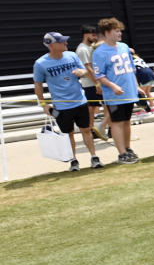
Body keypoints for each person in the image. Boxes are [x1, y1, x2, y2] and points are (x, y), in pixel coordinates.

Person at [33, 32, 101, 170]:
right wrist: (44, 104)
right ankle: (74, 161)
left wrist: (83, 73)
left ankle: (94, 157)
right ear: (51, 45)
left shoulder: (72, 55)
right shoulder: (40, 63)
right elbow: (38, 85)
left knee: (86, 130)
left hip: (80, 101)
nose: (66, 43)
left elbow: (85, 70)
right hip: (61, 106)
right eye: (62, 41)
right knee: (67, 134)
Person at [92, 18, 142, 164]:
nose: (120, 33)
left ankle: (127, 148)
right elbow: (99, 75)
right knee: (117, 123)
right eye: (116, 31)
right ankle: (121, 152)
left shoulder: (124, 47)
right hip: (114, 95)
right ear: (107, 32)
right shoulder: (99, 52)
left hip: (129, 92)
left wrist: (137, 87)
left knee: (126, 121)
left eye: (120, 30)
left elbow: (131, 69)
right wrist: (113, 86)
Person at [75, 24, 106, 140]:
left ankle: (106, 128)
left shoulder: (93, 46)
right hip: (90, 83)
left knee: (107, 105)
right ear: (85, 35)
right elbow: (88, 68)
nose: (95, 37)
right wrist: (97, 83)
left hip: (99, 81)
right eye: (92, 34)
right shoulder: (82, 49)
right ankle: (91, 129)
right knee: (92, 107)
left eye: (95, 34)